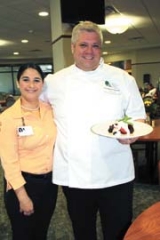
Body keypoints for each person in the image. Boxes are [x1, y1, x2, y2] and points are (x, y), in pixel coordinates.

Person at [41, 21, 146, 240]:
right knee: (83, 232)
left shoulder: (123, 79)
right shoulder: (54, 82)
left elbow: (138, 115)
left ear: (101, 48)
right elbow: (35, 109)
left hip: (116, 173)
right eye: (83, 45)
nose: (90, 51)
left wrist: (131, 134)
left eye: (95, 46)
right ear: (72, 48)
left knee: (118, 232)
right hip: (75, 175)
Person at [0, 63, 58, 240]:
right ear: (18, 83)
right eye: (26, 80)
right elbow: (9, 161)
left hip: (49, 184)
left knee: (41, 232)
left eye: (36, 80)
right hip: (23, 185)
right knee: (23, 234)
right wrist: (23, 196)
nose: (31, 85)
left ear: (42, 84)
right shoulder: (8, 117)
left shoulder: (50, 111)